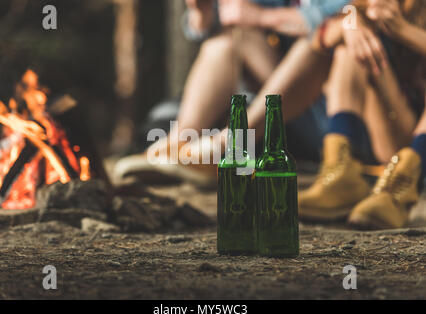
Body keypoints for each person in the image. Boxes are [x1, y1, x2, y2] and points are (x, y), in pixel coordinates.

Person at [114, 0, 350, 185]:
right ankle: (179, 144)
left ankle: (226, 146)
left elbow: (344, 19)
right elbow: (231, 16)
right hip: (290, 108)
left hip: (335, 111)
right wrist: (202, 14)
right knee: (233, 36)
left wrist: (260, 16)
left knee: (318, 42)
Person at [297, 0, 426, 229]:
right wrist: (351, 24)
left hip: (417, 147)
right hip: (392, 129)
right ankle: (340, 172)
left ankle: (402, 187)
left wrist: (403, 31)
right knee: (352, 44)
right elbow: (318, 41)